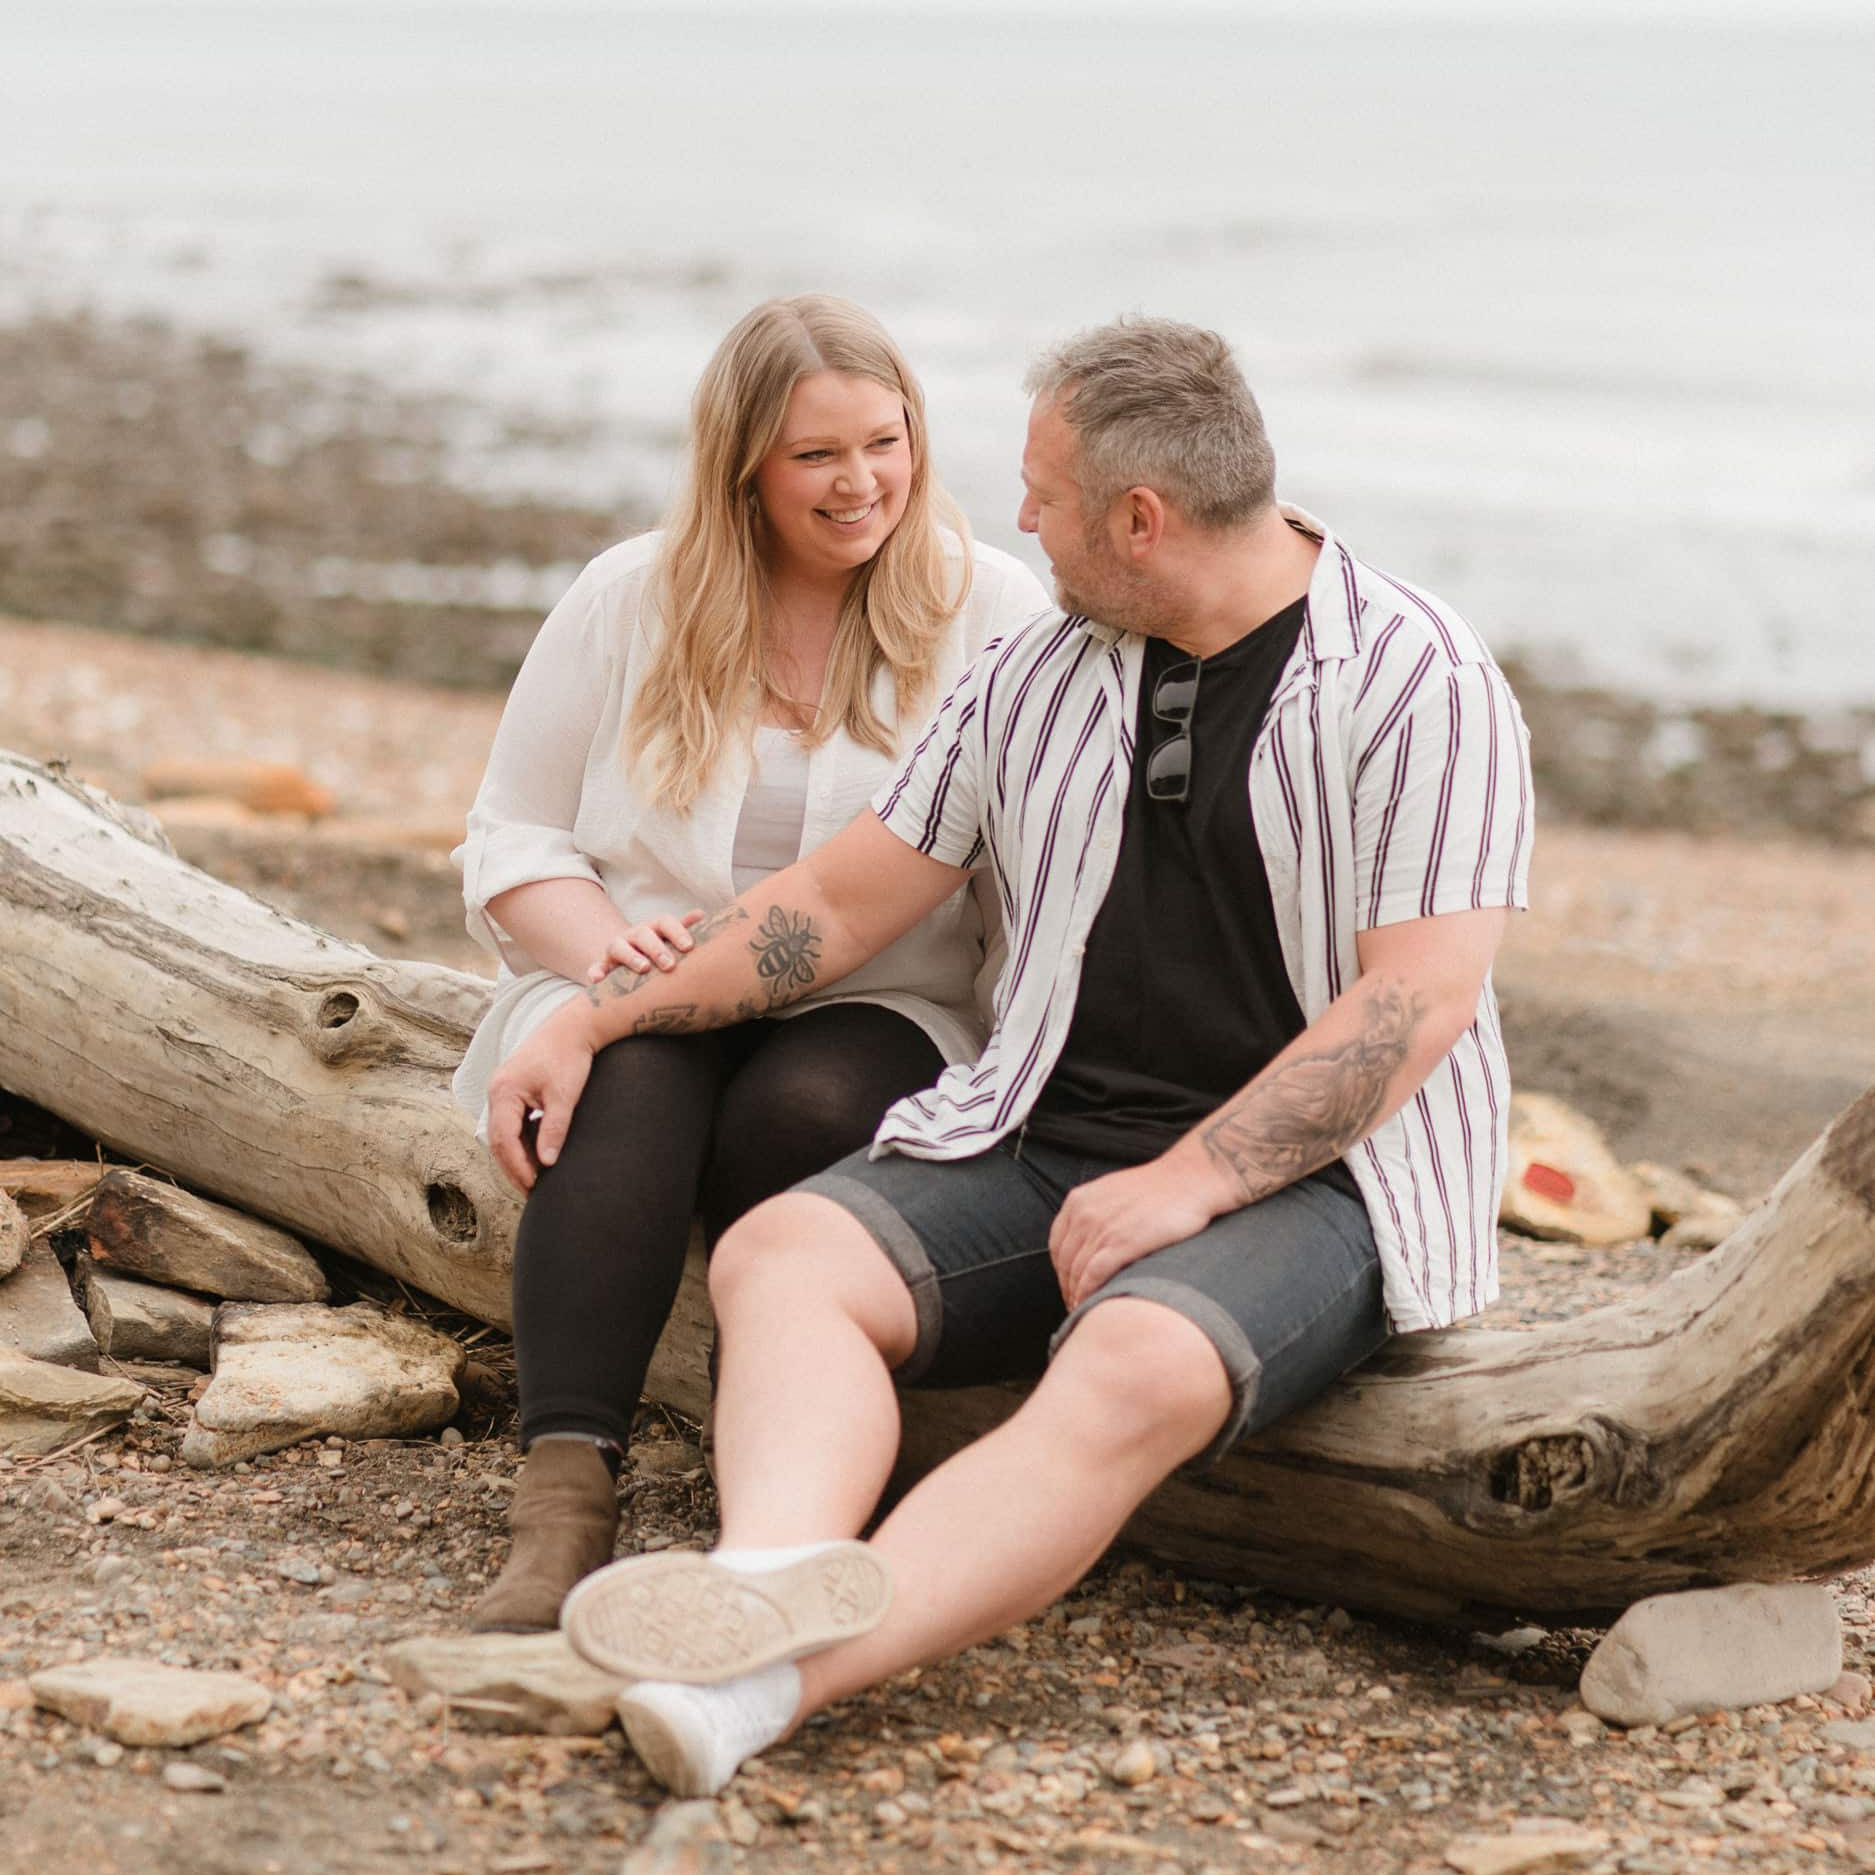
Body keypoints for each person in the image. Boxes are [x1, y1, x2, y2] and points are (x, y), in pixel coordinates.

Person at [484, 315, 1534, 1794]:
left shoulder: (1420, 680)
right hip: (1042, 1126)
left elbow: (1411, 1006)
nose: (1017, 518)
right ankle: (771, 1570)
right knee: (784, 1258)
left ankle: (757, 1693)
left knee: (1124, 1366)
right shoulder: (1038, 670)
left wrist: (1186, 1185)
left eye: (1043, 493)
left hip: (1320, 1182)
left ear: (1142, 518)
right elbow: (835, 909)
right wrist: (593, 1015)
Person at [452, 294, 1050, 1632]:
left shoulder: (990, 608)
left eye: (885, 443)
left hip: (881, 994)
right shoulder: (631, 596)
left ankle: (771, 1483)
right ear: (743, 467)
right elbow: (514, 829)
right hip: (630, 980)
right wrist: (603, 952)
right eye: (816, 457)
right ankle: (564, 1507)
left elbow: (1023, 870)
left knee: (806, 1110)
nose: (863, 485)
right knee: (632, 1090)